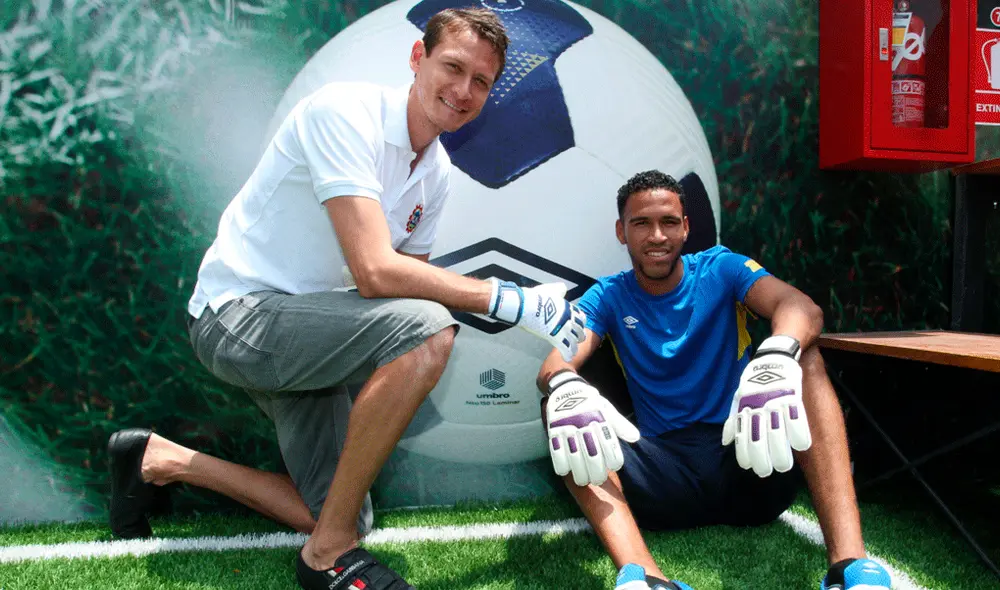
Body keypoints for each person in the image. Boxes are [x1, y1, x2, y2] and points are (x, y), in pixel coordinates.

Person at [107, 8, 586, 590]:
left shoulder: (435, 173)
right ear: (417, 59)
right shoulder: (343, 113)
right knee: (430, 331)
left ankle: (158, 459)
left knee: (338, 508)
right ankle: (324, 558)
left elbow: (400, 293)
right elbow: (376, 273)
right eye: (453, 68)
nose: (463, 91)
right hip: (237, 318)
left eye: (481, 82)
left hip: (312, 336)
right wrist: (511, 300)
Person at [534, 170, 893, 590]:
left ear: (686, 227)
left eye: (669, 222)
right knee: (560, 404)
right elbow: (554, 363)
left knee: (805, 356)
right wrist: (561, 385)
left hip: (749, 460)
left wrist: (777, 353)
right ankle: (643, 577)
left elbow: (800, 307)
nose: (656, 236)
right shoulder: (609, 295)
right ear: (621, 232)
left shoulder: (721, 268)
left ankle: (850, 565)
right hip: (661, 479)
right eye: (641, 224)